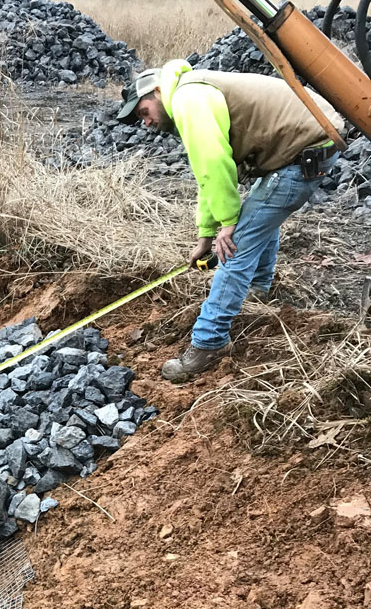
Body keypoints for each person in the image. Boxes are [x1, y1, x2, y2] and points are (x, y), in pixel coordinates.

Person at [117, 60, 341, 382]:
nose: (146, 122)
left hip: (307, 148)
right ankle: (258, 289)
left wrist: (226, 225)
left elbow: (214, 164)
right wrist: (205, 236)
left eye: (143, 112)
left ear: (156, 92)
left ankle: (209, 342)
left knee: (235, 246)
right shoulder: (190, 91)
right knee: (260, 216)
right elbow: (208, 177)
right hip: (310, 142)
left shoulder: (186, 99)